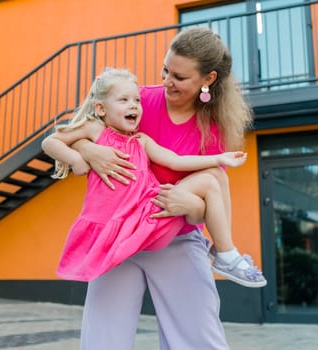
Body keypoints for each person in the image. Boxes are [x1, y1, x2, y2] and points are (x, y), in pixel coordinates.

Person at [68, 27, 257, 350]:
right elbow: (81, 131)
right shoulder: (138, 101)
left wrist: (186, 204)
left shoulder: (212, 129)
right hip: (118, 236)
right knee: (102, 342)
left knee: (200, 341)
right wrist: (89, 151)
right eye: (165, 70)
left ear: (207, 79)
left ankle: (225, 253)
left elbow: (202, 210)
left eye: (180, 77)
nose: (167, 80)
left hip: (176, 238)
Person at [42, 68, 265, 288]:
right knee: (212, 180)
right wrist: (76, 159)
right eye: (123, 100)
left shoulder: (141, 141)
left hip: (151, 216)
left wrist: (220, 158)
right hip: (126, 227)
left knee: (214, 176)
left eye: (137, 100)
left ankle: (225, 250)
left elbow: (176, 161)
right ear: (100, 108)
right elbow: (50, 142)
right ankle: (225, 253)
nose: (133, 105)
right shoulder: (94, 130)